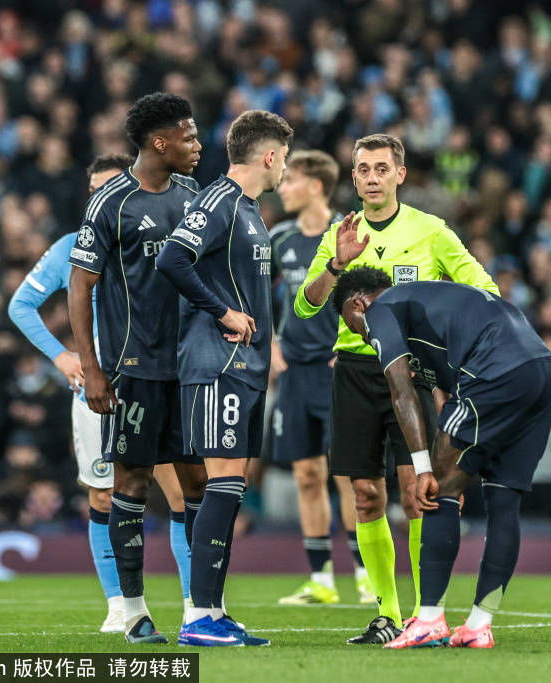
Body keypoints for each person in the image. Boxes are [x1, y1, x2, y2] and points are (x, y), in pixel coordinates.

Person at [294, 134, 498, 644]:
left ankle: (427, 615)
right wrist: (336, 266)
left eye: (382, 168)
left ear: (400, 175)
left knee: (417, 493)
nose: (372, 178)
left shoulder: (431, 231)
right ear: (354, 176)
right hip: (356, 373)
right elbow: (305, 305)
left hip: (412, 372)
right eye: (363, 169)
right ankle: (387, 614)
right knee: (365, 496)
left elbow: (486, 290)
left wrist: (438, 324)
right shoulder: (340, 233)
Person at [9, 152, 196, 633]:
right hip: (100, 388)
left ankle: (197, 603)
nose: (104, 195)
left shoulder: (164, 238)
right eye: (96, 189)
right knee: (105, 495)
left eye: (112, 185)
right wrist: (61, 357)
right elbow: (21, 305)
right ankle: (120, 606)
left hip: (160, 379)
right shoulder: (71, 247)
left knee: (182, 494)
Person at [332, 267, 551, 650]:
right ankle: (479, 625)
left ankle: (429, 620)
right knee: (504, 499)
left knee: (437, 489)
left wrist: (423, 468)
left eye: (352, 326)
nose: (362, 336)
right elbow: (446, 387)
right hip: (542, 371)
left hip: (494, 371)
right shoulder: (429, 304)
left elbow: (401, 391)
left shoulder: (382, 309)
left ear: (357, 305)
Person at [68, 93, 204, 644]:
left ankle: (203, 609)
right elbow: (80, 287)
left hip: (191, 367)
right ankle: (133, 611)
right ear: (159, 142)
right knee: (131, 481)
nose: (197, 146)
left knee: (198, 483)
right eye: (188, 137)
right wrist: (93, 368)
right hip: (136, 367)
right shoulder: (110, 203)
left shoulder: (194, 197)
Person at [155, 109, 293, 647]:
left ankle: (211, 610)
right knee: (223, 483)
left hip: (246, 365)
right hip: (218, 363)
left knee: (231, 488)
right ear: (269, 155)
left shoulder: (250, 210)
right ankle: (198, 617)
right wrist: (223, 312)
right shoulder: (218, 201)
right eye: (284, 158)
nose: (284, 168)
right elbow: (173, 258)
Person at [270, 150, 374, 606]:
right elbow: (256, 295)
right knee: (307, 474)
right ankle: (321, 579)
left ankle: (367, 574)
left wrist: (355, 345)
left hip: (338, 370)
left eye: (291, 180)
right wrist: (270, 344)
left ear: (316, 186)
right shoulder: (279, 238)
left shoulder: (348, 234)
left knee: (347, 474)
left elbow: (372, 296)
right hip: (295, 371)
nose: (283, 188)